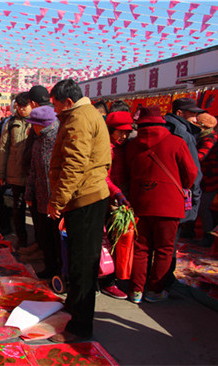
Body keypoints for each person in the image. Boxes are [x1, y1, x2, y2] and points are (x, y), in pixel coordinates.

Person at [47, 79, 111, 343]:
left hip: (85, 198)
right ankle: (75, 308)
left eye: (56, 105)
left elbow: (74, 164)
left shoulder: (79, 118)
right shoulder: (83, 114)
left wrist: (57, 201)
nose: (55, 111)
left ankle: (80, 327)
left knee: (83, 264)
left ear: (68, 102)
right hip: (83, 197)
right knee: (78, 260)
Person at [125, 106, 197, 303]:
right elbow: (191, 173)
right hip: (169, 203)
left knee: (140, 248)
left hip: (140, 200)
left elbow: (128, 171)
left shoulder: (132, 145)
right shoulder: (176, 142)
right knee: (164, 249)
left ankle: (136, 290)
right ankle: (156, 290)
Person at [164, 97, 203, 287]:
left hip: (153, 194)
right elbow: (193, 171)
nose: (195, 119)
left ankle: (145, 282)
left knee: (149, 244)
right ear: (179, 113)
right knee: (169, 244)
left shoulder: (160, 128)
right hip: (175, 195)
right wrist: (194, 200)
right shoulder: (183, 134)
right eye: (192, 114)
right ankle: (164, 282)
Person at [23, 105, 61, 277]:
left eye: (34, 125)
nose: (32, 128)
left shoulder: (60, 139)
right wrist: (29, 192)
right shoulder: (38, 142)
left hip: (58, 200)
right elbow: (33, 170)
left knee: (58, 238)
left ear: (44, 124)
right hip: (41, 197)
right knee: (45, 237)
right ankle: (50, 268)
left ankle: (61, 272)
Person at [100, 110, 134, 300]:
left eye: (127, 132)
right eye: (119, 132)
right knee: (109, 242)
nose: (123, 136)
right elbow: (103, 175)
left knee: (123, 242)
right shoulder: (106, 148)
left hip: (123, 200)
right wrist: (117, 193)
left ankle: (120, 277)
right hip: (110, 199)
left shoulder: (127, 147)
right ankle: (108, 281)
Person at [0, 92, 33, 250]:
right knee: (18, 208)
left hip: (32, 174)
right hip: (15, 172)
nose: (22, 110)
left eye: (25, 106)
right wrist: (0, 174)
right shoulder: (11, 123)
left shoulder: (38, 122)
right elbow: (3, 149)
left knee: (37, 211)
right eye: (19, 107)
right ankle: (21, 239)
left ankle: (38, 245)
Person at [194, 112, 218, 247]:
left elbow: (200, 156)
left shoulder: (210, 139)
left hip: (210, 179)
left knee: (203, 208)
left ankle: (208, 236)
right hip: (204, 179)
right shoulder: (203, 137)